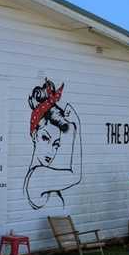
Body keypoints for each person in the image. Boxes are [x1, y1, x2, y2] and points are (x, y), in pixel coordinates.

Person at [23, 79, 82, 209]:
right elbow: (76, 176)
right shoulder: (37, 175)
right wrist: (75, 125)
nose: (51, 151)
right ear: (34, 136)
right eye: (45, 138)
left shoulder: (42, 173)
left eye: (56, 144)